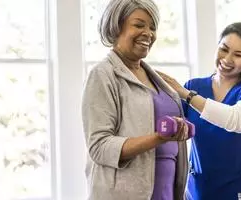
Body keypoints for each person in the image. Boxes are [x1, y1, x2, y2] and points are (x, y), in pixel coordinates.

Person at [81, 0, 191, 199]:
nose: (148, 33)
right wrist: (158, 138)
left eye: (152, 27)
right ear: (116, 26)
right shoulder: (103, 75)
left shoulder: (158, 79)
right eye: (139, 25)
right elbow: (99, 147)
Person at [157, 22, 241, 200]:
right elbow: (168, 125)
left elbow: (236, 120)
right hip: (200, 189)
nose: (227, 59)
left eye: (238, 55)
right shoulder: (195, 86)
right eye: (224, 49)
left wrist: (187, 95)